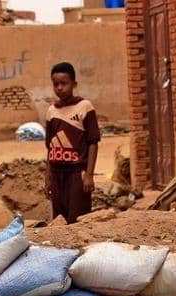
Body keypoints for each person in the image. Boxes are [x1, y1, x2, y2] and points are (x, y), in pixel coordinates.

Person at [44, 62, 100, 224]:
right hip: (57, 173)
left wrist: (89, 175)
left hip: (77, 173)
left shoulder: (84, 107)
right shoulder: (51, 111)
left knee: (77, 219)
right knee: (59, 220)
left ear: (74, 84)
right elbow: (50, 147)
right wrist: (48, 176)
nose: (60, 87)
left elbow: (93, 143)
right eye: (56, 84)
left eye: (64, 83)